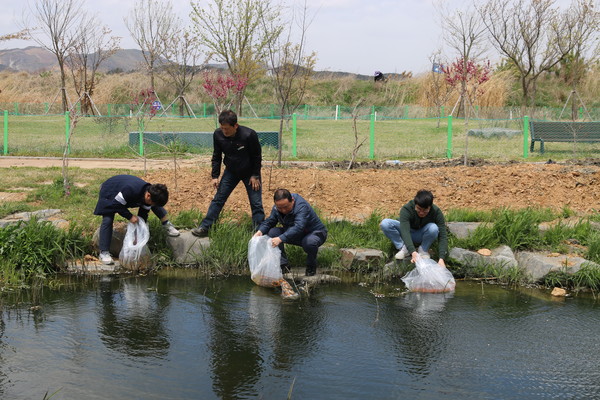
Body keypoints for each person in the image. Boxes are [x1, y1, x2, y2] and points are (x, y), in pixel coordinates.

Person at [192, 109, 264, 237]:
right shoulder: (218, 135)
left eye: (227, 129)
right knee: (219, 199)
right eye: (222, 128)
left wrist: (255, 175)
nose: (224, 131)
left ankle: (259, 232)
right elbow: (217, 156)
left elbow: (257, 156)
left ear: (235, 126)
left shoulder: (248, 135)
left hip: (250, 173)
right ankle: (205, 227)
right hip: (231, 171)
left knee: (256, 203)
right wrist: (215, 176)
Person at [94, 174, 180, 265]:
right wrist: (130, 216)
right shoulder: (131, 190)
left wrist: (138, 233)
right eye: (151, 201)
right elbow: (117, 204)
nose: (151, 204)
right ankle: (104, 252)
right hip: (110, 189)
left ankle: (166, 224)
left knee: (155, 205)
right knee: (108, 219)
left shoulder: (150, 192)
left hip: (126, 191)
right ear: (148, 195)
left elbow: (143, 214)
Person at [254, 189, 328, 276]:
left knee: (309, 242)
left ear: (292, 200)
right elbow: (270, 221)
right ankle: (284, 266)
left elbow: (299, 227)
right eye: (279, 208)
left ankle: (311, 267)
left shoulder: (301, 206)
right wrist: (260, 231)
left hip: (315, 233)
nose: (283, 210)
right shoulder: (277, 208)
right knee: (272, 232)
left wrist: (280, 238)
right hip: (296, 234)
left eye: (286, 207)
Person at [380, 189, 447, 267]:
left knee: (434, 228)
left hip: (422, 234)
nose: (421, 213)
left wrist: (441, 258)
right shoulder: (406, 209)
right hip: (407, 232)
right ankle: (403, 248)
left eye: (425, 210)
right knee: (385, 223)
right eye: (419, 209)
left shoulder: (436, 212)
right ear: (415, 204)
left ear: (430, 207)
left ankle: (423, 250)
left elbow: (442, 236)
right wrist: (413, 252)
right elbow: (404, 230)